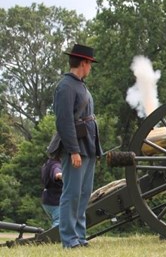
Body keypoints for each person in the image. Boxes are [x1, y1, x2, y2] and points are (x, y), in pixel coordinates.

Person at [48, 43, 102, 248]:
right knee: (71, 194)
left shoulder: (80, 85)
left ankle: (79, 236)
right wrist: (73, 151)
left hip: (88, 145)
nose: (91, 68)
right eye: (90, 64)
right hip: (77, 148)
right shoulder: (65, 86)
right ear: (84, 63)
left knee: (84, 193)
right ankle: (69, 240)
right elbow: (64, 123)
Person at [40, 156, 63, 228]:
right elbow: (57, 174)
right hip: (55, 200)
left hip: (47, 199)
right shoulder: (56, 165)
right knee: (59, 222)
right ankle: (54, 238)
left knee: (57, 221)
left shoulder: (47, 164)